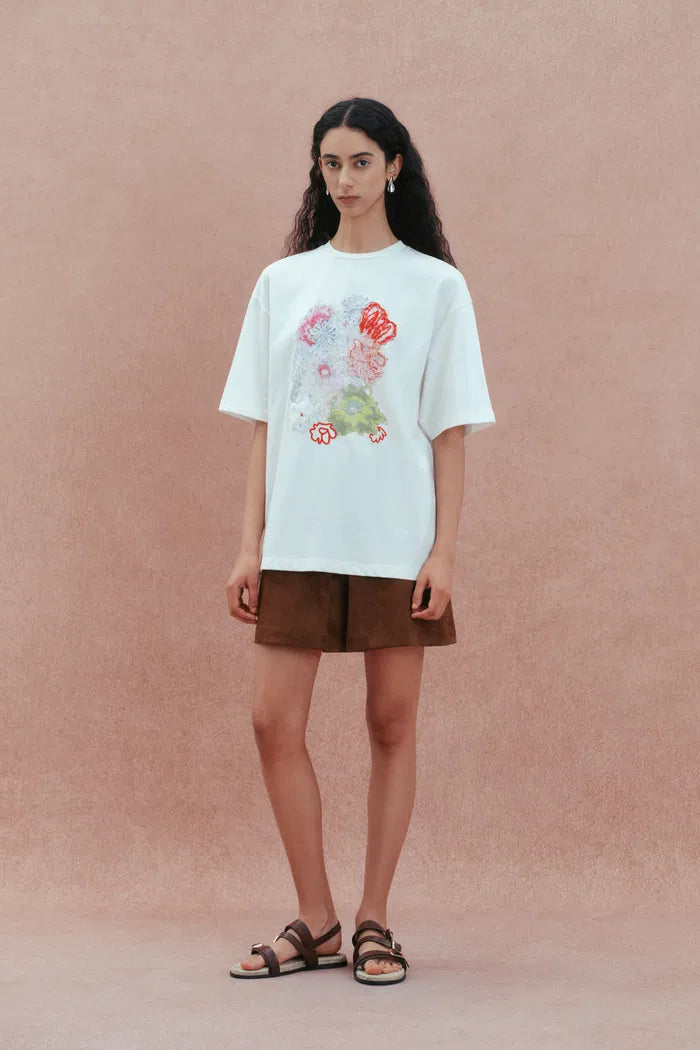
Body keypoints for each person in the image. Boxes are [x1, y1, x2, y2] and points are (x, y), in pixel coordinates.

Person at [220, 97, 496, 985]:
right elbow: (265, 426)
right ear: (319, 170)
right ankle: (317, 920)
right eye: (330, 163)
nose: (344, 179)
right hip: (297, 539)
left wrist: (443, 552)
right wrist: (249, 546)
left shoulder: (435, 287)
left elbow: (450, 432)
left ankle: (375, 918)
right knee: (273, 722)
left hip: (393, 542)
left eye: (361, 162)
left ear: (394, 168)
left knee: (390, 723)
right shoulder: (282, 283)